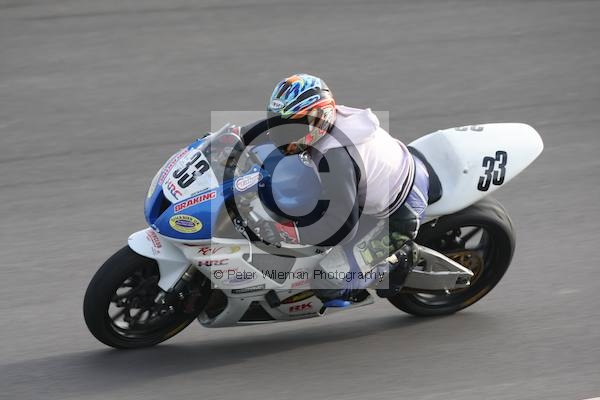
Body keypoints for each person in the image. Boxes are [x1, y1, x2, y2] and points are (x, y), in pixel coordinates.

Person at [238, 73, 430, 303]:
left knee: (326, 282)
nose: (280, 134)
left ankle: (397, 260)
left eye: (291, 128)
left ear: (318, 120)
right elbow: (271, 127)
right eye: (278, 123)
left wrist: (288, 232)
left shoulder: (335, 158)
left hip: (398, 214)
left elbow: (342, 227)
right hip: (379, 177)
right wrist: (230, 138)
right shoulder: (316, 122)